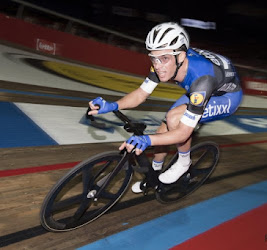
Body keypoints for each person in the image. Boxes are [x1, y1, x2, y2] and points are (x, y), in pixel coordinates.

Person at [88, 22, 243, 192]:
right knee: (162, 131)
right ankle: (154, 175)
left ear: (181, 56)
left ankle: (184, 162)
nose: (158, 65)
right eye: (153, 58)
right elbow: (141, 94)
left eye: (164, 59)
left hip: (225, 97)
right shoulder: (166, 59)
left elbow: (183, 133)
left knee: (175, 119)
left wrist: (146, 140)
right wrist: (112, 105)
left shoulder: (201, 79)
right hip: (201, 86)